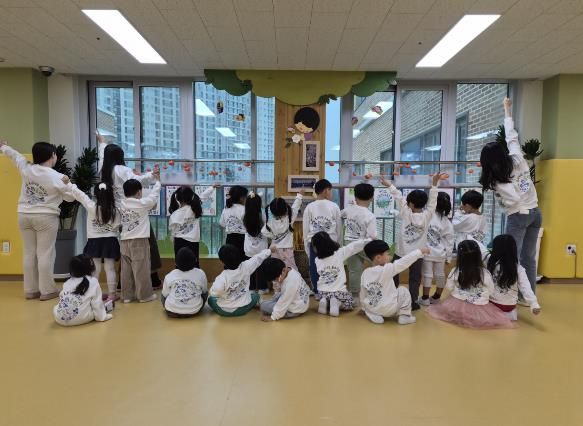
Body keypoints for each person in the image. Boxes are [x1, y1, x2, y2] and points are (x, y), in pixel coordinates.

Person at [479, 97, 541, 292]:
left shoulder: (499, 180)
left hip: (518, 215)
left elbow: (513, 200)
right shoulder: (517, 158)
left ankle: (509, 293)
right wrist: (507, 109)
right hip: (536, 212)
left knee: (511, 256)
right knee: (528, 258)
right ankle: (528, 294)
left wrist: (503, 203)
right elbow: (511, 136)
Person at [0, 140, 75, 301]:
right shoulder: (57, 177)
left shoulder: (26, 168)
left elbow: (15, 156)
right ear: (52, 155)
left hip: (23, 215)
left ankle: (30, 290)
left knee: (29, 253)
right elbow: (70, 198)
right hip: (46, 217)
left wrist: (4, 146)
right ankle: (47, 290)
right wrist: (67, 183)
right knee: (45, 253)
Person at [98, 131, 163, 289]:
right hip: (133, 211)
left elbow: (102, 156)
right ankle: (153, 278)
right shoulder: (121, 169)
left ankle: (122, 283)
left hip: (118, 213)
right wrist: (153, 176)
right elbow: (137, 181)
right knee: (148, 243)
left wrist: (102, 143)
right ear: (120, 157)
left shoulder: (103, 170)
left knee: (126, 248)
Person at [382, 172, 444, 310]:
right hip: (417, 254)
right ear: (423, 204)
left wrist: (389, 185)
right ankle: (413, 301)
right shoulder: (428, 215)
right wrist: (434, 184)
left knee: (393, 273)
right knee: (415, 278)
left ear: (410, 203)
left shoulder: (406, 212)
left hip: (401, 252)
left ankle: (393, 297)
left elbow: (398, 196)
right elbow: (433, 201)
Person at [426, 240, 514, 329]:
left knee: (448, 311)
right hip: (480, 306)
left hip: (457, 304)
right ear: (478, 255)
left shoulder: (456, 271)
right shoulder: (485, 273)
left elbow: (449, 287)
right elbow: (491, 290)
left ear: (460, 256)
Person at [67, 182, 120, 301]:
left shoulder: (91, 206)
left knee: (95, 269)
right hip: (110, 241)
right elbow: (117, 225)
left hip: (94, 241)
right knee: (110, 269)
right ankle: (112, 294)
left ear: (96, 194)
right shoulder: (115, 210)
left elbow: (80, 195)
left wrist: (69, 184)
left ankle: (95, 293)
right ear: (110, 194)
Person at [361, 240, 430, 325]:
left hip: (373, 308)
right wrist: (420, 251)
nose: (390, 256)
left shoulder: (365, 273)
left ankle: (372, 313)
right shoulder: (388, 268)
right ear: (378, 257)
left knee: (370, 302)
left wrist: (363, 308)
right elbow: (405, 261)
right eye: (387, 254)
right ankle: (404, 316)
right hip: (390, 309)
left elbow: (363, 293)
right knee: (403, 290)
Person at [119, 178, 161, 303]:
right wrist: (158, 182)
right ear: (138, 192)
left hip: (124, 241)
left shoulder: (121, 204)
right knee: (141, 268)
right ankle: (144, 296)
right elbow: (154, 195)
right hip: (139, 241)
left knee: (126, 270)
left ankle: (126, 296)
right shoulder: (142, 203)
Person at [311, 231, 370, 316]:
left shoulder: (317, 260)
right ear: (330, 242)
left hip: (322, 292)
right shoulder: (339, 253)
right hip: (338, 291)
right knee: (349, 303)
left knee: (327, 297)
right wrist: (368, 240)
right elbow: (353, 246)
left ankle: (324, 302)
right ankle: (338, 303)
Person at [486, 234, 541, 321]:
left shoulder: (492, 264)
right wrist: (534, 304)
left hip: (492, 303)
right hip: (509, 306)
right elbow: (525, 287)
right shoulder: (518, 268)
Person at [208, 245, 272, 317]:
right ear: (239, 256)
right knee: (256, 295)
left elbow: (214, 292)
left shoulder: (222, 277)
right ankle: (261, 306)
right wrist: (269, 250)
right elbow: (258, 258)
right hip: (244, 308)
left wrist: (214, 293)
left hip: (225, 311)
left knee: (210, 299)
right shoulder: (246, 266)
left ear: (222, 262)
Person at [302, 179, 342, 295]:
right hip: (331, 243)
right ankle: (331, 291)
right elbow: (339, 227)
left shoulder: (309, 207)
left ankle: (317, 291)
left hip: (315, 243)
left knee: (315, 267)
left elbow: (305, 229)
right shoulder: (334, 206)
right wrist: (338, 244)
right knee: (332, 267)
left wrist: (307, 245)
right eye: (330, 190)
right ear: (325, 191)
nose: (331, 193)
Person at [53, 255, 113, 326]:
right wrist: (102, 316)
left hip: (60, 319)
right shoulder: (93, 281)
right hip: (80, 318)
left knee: (56, 307)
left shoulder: (67, 282)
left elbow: (63, 298)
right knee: (94, 309)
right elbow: (97, 303)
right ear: (90, 268)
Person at [341, 183, 377, 298]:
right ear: (372, 198)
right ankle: (376, 288)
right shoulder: (370, 215)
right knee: (380, 262)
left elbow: (341, 214)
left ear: (355, 198)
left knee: (354, 270)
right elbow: (373, 236)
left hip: (348, 244)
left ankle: (354, 296)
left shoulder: (349, 210)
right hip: (362, 245)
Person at [168, 185, 216, 266]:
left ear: (178, 198)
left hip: (179, 242)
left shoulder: (174, 214)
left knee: (180, 265)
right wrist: (212, 187)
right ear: (191, 197)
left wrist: (174, 241)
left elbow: (173, 232)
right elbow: (202, 197)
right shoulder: (194, 208)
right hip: (193, 242)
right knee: (194, 265)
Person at [421, 191, 454, 305]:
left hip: (426, 252)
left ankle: (425, 298)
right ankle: (436, 297)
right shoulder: (446, 221)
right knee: (440, 275)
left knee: (427, 274)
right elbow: (450, 241)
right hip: (441, 253)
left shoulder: (426, 215)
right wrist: (449, 257)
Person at [161, 247, 208, 318]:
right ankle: (192, 306)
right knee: (205, 293)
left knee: (163, 295)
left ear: (176, 263)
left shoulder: (170, 275)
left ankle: (174, 307)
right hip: (194, 310)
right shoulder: (200, 273)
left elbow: (164, 294)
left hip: (172, 311)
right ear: (195, 260)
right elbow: (204, 291)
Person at [262, 192, 303, 272]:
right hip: (287, 249)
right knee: (291, 270)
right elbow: (295, 207)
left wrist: (274, 237)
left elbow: (264, 232)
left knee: (276, 271)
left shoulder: (270, 221)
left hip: (274, 249)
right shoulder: (289, 218)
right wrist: (299, 195)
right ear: (285, 209)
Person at [243, 191, 268, 292]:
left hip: (249, 247)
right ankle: (263, 287)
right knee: (262, 267)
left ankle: (251, 287)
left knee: (250, 268)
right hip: (262, 247)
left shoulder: (244, 216)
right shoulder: (263, 215)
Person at [219, 185, 248, 261]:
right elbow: (248, 224)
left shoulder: (226, 209)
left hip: (230, 239)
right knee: (242, 262)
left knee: (230, 261)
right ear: (241, 198)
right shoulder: (244, 209)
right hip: (243, 240)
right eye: (246, 197)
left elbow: (222, 223)